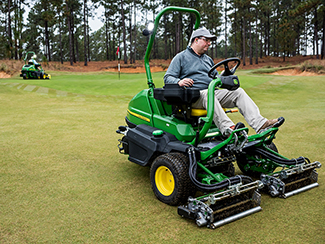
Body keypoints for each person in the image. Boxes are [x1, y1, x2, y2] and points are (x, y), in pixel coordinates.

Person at [164, 27, 282, 136]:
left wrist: (225, 75)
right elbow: (167, 77)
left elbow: (216, 78)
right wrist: (179, 81)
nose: (209, 44)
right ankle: (228, 128)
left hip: (211, 94)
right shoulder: (181, 57)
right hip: (193, 97)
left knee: (238, 92)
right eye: (207, 40)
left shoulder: (207, 59)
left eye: (210, 41)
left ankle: (261, 124)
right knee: (207, 94)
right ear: (196, 40)